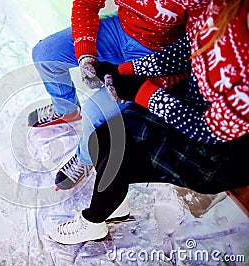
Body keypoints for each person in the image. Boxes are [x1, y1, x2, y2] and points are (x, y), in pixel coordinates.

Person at [49, 0, 249, 245]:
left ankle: (92, 223)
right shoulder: (225, 9)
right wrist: (127, 70)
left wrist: (145, 93)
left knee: (120, 159)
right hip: (189, 103)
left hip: (215, 152)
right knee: (105, 135)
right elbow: (185, 51)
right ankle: (114, 204)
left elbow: (206, 130)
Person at [29, 0, 189, 191]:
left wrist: (136, 81)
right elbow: (86, 4)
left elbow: (195, 54)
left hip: (160, 58)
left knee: (93, 113)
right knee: (45, 54)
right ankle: (66, 110)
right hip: (120, 29)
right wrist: (85, 54)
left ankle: (85, 158)